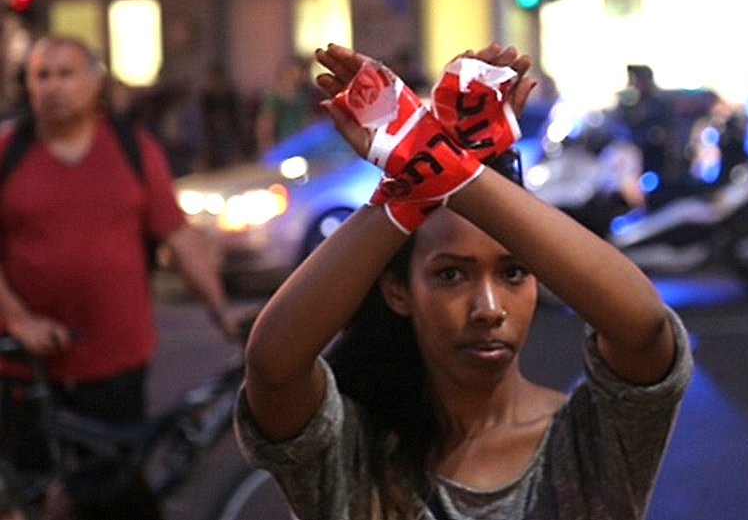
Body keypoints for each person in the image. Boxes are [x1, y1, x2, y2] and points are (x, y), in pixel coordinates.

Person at [235, 43, 693, 520]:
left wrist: (441, 165)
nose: (489, 308)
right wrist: (413, 187)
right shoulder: (355, 452)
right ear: (397, 290)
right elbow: (271, 368)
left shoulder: (588, 439)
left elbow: (644, 326)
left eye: (513, 273)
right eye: (451, 275)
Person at [0, 35, 246, 519]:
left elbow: (179, 237)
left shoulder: (134, 150)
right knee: (34, 501)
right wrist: (18, 320)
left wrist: (220, 310)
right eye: (41, 75)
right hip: (28, 371)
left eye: (66, 73)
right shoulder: (8, 152)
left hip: (115, 365)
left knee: (113, 502)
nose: (53, 86)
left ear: (95, 83)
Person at [254, 54, 320, 155]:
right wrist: (269, 151)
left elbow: (306, 122)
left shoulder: (302, 97)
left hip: (299, 147)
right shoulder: (274, 98)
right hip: (281, 147)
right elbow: (266, 126)